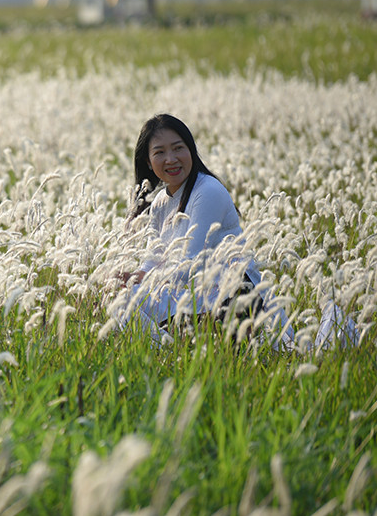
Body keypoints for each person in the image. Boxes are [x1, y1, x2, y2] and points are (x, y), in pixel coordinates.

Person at [111, 114, 291, 345]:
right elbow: (153, 261)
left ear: (191, 150)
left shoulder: (207, 191)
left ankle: (168, 348)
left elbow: (191, 262)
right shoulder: (159, 203)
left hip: (236, 300)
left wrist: (145, 279)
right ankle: (166, 348)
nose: (171, 159)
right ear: (148, 162)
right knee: (120, 298)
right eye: (160, 152)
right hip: (195, 297)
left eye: (178, 148)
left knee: (132, 304)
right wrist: (132, 277)